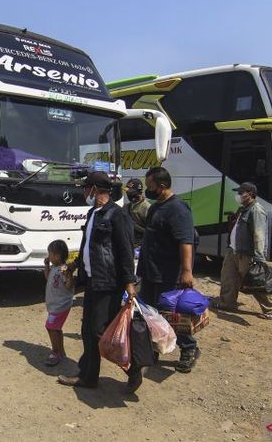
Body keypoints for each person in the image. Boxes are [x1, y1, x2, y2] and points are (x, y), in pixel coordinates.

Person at [57, 171, 137, 392]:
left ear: (94, 190)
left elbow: (125, 250)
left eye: (86, 188)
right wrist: (74, 265)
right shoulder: (93, 212)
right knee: (88, 330)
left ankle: (133, 370)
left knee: (101, 332)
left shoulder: (117, 215)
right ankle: (88, 376)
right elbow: (87, 246)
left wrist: (130, 283)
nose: (84, 192)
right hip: (92, 281)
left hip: (109, 283)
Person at [135, 166, 200, 375]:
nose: (148, 189)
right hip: (149, 272)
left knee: (173, 316)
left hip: (169, 274)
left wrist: (187, 271)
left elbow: (186, 242)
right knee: (150, 315)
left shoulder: (178, 209)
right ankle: (153, 349)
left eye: (150, 185)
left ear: (162, 186)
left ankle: (189, 349)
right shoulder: (155, 208)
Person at [212, 182, 272, 319]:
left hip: (247, 254)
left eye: (241, 192)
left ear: (250, 194)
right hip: (234, 250)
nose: (238, 195)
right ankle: (227, 303)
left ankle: (271, 309)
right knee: (228, 278)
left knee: (255, 281)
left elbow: (259, 235)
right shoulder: (243, 208)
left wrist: (259, 258)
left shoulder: (256, 210)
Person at [43, 239, 75, 366]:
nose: (48, 256)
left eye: (50, 254)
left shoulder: (63, 269)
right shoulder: (55, 268)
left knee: (50, 327)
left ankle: (55, 352)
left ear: (57, 256)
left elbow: (68, 285)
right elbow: (47, 277)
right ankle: (61, 351)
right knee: (56, 328)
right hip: (54, 305)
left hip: (60, 305)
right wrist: (46, 266)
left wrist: (70, 275)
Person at [123, 178, 149, 247]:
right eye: (127, 192)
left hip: (141, 246)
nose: (128, 193)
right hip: (128, 244)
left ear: (139, 192)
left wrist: (134, 225)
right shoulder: (127, 206)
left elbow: (151, 232)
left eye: (130, 192)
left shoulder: (146, 207)